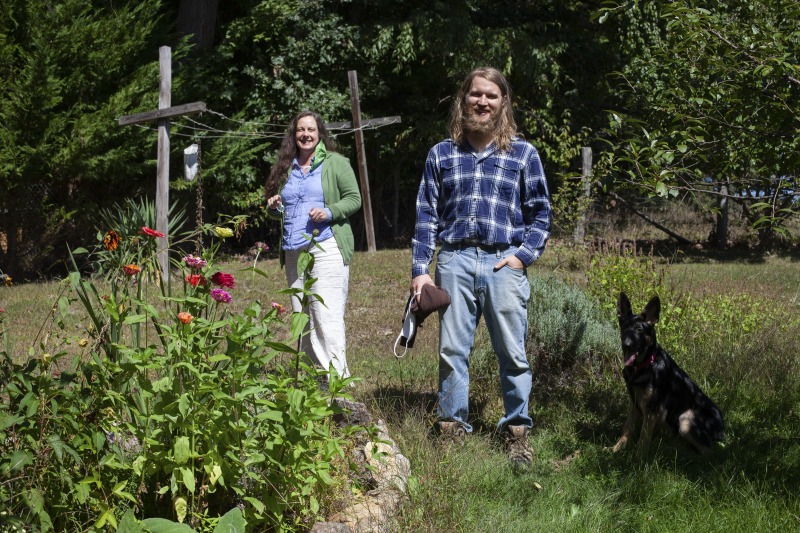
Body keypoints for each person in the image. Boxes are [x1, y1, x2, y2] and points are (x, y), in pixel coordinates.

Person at [410, 67, 552, 467]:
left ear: (502, 103)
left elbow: (541, 215)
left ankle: (517, 433)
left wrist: (522, 257)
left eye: (491, 96)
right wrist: (421, 269)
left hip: (502, 262)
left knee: (512, 351)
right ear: (464, 99)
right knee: (452, 350)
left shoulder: (524, 154)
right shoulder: (442, 154)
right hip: (453, 260)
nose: (482, 102)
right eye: (476, 94)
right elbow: (426, 216)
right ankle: (451, 431)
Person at [266, 110, 362, 380]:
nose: (305, 135)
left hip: (326, 244)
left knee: (325, 312)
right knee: (301, 312)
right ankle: (313, 378)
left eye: (311, 130)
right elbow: (283, 209)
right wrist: (274, 207)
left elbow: (354, 199)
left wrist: (328, 212)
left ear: (319, 133)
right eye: (300, 130)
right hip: (294, 249)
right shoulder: (287, 166)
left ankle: (337, 381)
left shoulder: (335, 162)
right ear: (294, 135)